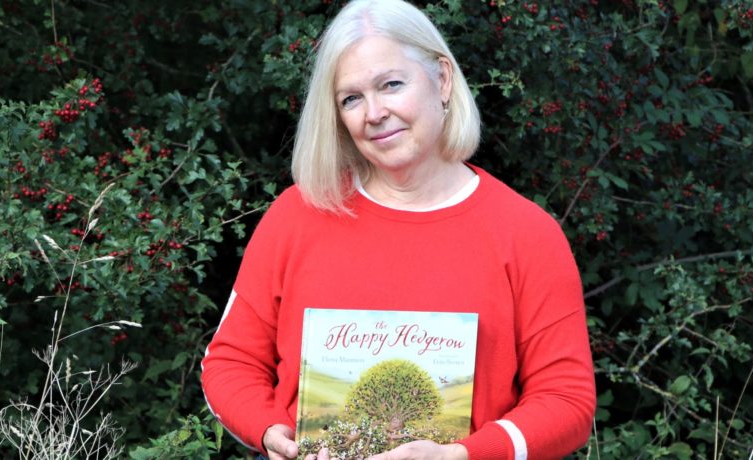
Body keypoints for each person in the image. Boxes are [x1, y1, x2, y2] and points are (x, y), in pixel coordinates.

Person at [200, 0, 595, 458]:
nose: (374, 113)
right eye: (351, 98)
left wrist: (461, 455)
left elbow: (568, 402)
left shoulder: (526, 234)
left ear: (442, 80)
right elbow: (229, 364)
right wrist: (269, 431)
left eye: (391, 85)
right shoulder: (297, 217)